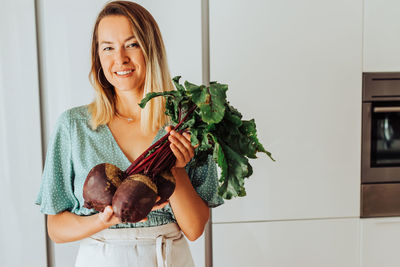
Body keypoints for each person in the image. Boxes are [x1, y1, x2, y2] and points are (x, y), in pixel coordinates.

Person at [35, 1, 223, 266]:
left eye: (132, 44)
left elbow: (194, 230)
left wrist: (177, 169)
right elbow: (55, 228)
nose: (120, 59)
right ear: (97, 56)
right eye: (108, 48)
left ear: (151, 49)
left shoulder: (185, 122)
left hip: (167, 256)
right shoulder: (73, 125)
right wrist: (102, 220)